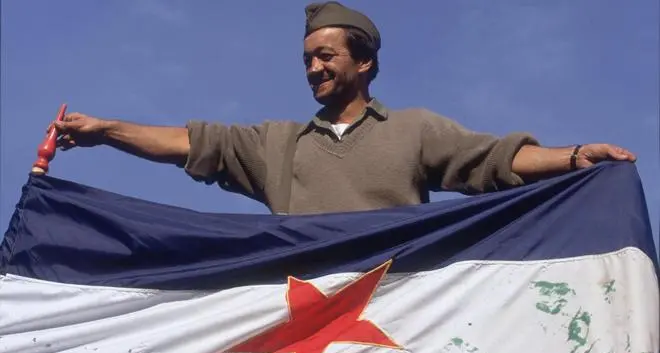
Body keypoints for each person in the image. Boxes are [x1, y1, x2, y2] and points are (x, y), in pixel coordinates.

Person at [52, 1, 636, 215]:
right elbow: (188, 144)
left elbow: (496, 161)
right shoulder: (278, 145)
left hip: (394, 308)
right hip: (303, 316)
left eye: (325, 56)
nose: (313, 69)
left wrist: (575, 156)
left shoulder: (414, 129)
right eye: (306, 60)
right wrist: (106, 130)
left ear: (364, 64)